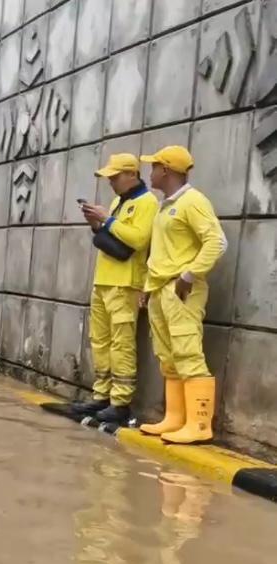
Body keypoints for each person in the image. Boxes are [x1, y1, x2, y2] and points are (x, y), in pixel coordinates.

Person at [137, 146, 226, 444]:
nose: (150, 173)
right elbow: (162, 252)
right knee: (168, 356)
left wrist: (189, 275)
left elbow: (217, 242)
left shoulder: (193, 201)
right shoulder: (166, 206)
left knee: (188, 353)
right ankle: (175, 418)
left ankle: (199, 425)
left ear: (166, 170)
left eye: (154, 167)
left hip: (182, 289)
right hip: (161, 288)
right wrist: (148, 287)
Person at [71, 154, 158, 424]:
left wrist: (107, 220)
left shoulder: (147, 202)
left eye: (115, 176)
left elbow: (139, 239)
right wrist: (96, 224)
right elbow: (111, 236)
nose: (110, 182)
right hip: (103, 280)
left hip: (126, 283)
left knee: (122, 343)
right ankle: (101, 395)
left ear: (132, 174)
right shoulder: (118, 202)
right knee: (100, 341)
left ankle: (120, 402)